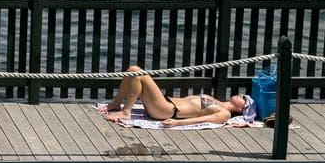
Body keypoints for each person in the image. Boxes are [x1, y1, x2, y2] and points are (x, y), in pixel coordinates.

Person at [100, 64, 256, 127]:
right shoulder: (218, 101)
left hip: (167, 111)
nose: (241, 95)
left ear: (242, 109)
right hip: (165, 103)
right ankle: (116, 103)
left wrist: (177, 123)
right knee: (133, 69)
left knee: (138, 73)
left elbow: (201, 120)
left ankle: (126, 111)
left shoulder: (224, 113)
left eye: (244, 99)